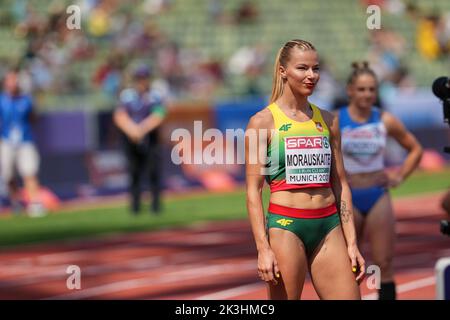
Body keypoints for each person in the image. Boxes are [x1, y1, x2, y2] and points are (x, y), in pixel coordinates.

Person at [245, 39, 365, 300]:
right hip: (287, 227)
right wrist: (262, 248)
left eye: (316, 68)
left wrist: (352, 242)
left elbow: (341, 183)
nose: (312, 76)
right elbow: (253, 192)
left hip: (329, 226)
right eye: (303, 68)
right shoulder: (262, 122)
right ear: (282, 71)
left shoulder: (329, 120)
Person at [338, 61, 423, 300]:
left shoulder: (385, 120)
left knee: (384, 263)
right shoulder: (336, 120)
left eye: (372, 90)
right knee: (348, 264)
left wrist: (398, 177)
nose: (367, 95)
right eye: (362, 89)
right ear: (350, 91)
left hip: (377, 194)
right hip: (349, 196)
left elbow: (415, 149)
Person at [113, 65, 167, 215]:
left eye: (144, 78)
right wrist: (132, 130)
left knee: (153, 172)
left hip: (150, 139)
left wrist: (142, 129)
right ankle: (135, 206)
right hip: (131, 139)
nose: (142, 81)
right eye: (139, 78)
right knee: (134, 172)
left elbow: (159, 115)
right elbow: (120, 116)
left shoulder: (155, 95)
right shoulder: (127, 96)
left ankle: (155, 206)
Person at [0, 69, 45, 217]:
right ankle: (16, 201)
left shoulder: (26, 100)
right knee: (8, 175)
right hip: (6, 141)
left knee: (29, 172)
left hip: (25, 140)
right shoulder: (2, 101)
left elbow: (34, 118)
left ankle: (34, 203)